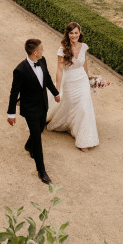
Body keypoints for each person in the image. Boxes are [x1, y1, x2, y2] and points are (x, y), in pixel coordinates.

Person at [7, 38, 60, 184]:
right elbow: (14, 93)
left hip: (43, 105)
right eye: (42, 49)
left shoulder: (42, 61)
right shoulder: (20, 70)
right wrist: (11, 114)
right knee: (37, 138)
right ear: (35, 52)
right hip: (30, 109)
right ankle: (41, 171)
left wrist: (55, 93)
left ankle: (28, 145)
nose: (43, 51)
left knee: (40, 128)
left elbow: (47, 79)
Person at [47, 22, 99, 151]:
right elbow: (59, 69)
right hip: (69, 80)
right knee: (71, 105)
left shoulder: (84, 47)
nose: (74, 35)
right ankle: (69, 125)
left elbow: (84, 64)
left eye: (76, 33)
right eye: (71, 33)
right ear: (68, 34)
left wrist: (88, 79)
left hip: (81, 80)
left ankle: (83, 140)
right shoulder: (62, 50)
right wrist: (57, 88)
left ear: (79, 33)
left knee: (84, 106)